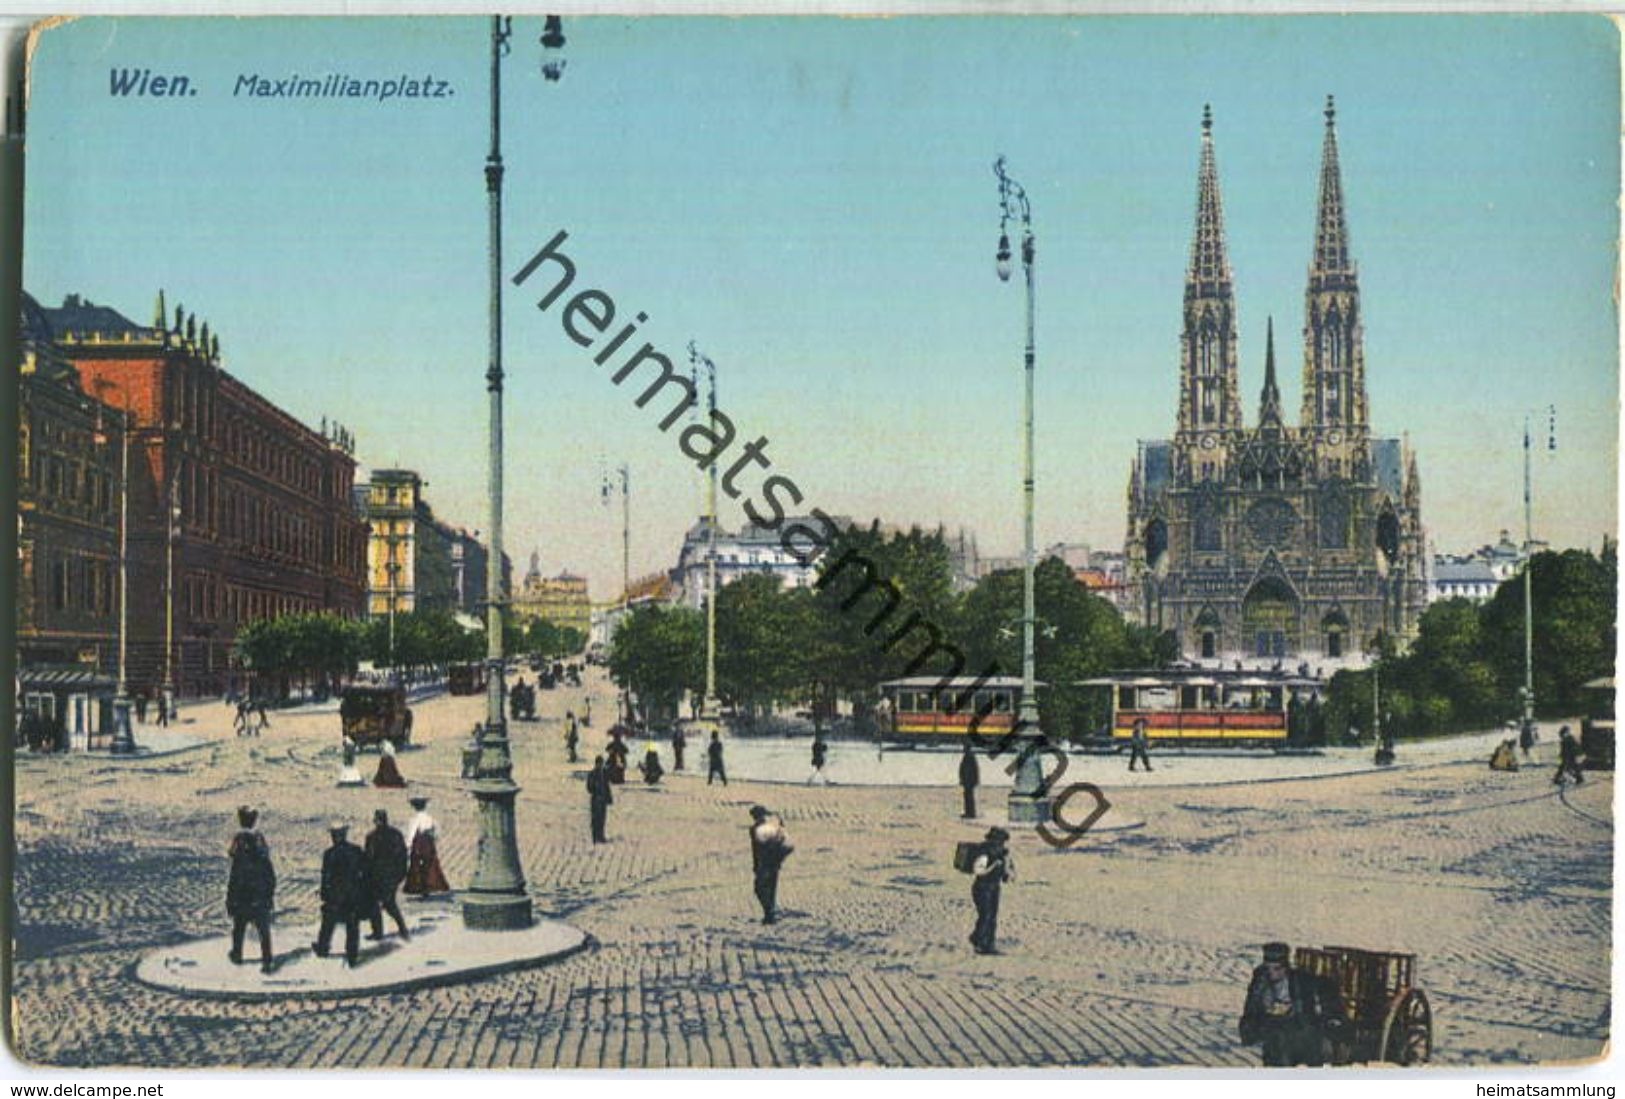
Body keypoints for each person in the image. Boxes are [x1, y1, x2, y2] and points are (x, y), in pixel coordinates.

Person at [1238, 942, 1349, 1066]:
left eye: (1277, 968)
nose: (1272, 973)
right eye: (1268, 968)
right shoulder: (1260, 983)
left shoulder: (1299, 980)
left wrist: (1331, 1017)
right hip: (1273, 1034)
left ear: (1285, 967)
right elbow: (1251, 1009)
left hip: (1300, 1032)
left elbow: (1325, 987)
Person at [226, 806, 276, 973]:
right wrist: (269, 895)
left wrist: (230, 900)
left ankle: (237, 955)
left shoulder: (239, 847)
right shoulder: (260, 845)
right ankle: (267, 961)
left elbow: (234, 880)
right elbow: (270, 876)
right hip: (260, 898)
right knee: (263, 931)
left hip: (242, 898)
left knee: (239, 928)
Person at [313, 822, 368, 966]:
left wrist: (325, 894)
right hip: (352, 896)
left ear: (333, 836)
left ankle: (323, 949)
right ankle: (352, 956)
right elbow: (364, 873)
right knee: (352, 927)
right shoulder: (356, 851)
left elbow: (326, 877)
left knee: (327, 925)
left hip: (335, 898)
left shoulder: (329, 854)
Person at [364, 809, 412, 942]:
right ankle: (391, 930)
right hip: (387, 877)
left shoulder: (372, 837)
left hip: (382, 877)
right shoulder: (395, 834)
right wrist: (401, 874)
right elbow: (403, 856)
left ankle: (390, 931)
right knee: (383, 903)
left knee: (385, 904)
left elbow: (368, 859)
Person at [969, 827, 1013, 955]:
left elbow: (1007, 873)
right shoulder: (984, 851)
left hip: (994, 887)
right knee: (986, 916)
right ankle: (980, 941)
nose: (1001, 844)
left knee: (991, 917)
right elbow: (979, 870)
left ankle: (988, 943)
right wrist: (995, 865)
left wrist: (1005, 871)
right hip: (982, 887)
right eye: (1000, 841)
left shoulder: (1002, 853)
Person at [748, 806, 793, 924]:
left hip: (767, 863)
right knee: (770, 889)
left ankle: (769, 914)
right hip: (772, 863)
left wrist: (759, 864)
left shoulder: (760, 829)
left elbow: (760, 849)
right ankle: (769, 915)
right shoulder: (769, 827)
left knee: (760, 889)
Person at [403, 796, 451, 897]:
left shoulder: (415, 819)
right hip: (429, 843)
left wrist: (408, 846)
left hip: (419, 844)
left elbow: (411, 834)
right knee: (430, 864)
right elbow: (437, 832)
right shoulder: (430, 818)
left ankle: (419, 886)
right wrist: (432, 839)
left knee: (417, 865)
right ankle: (430, 884)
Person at [587, 755, 613, 844]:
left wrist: (609, 798)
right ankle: (595, 836)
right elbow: (589, 787)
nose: (600, 765)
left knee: (602, 819)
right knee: (595, 819)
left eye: (602, 763)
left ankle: (601, 835)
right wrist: (595, 788)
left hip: (603, 800)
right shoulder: (592, 774)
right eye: (599, 763)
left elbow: (607, 786)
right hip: (595, 800)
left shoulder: (604, 774)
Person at [958, 742, 980, 819]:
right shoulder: (970, 756)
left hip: (968, 781)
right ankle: (969, 812)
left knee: (969, 798)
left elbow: (970, 770)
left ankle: (970, 813)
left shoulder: (968, 756)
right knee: (968, 797)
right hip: (968, 781)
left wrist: (964, 779)